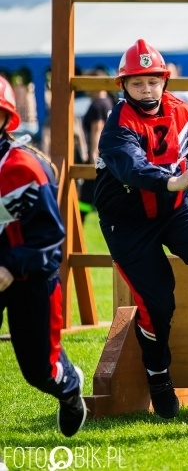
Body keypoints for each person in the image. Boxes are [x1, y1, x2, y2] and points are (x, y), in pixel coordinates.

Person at [94, 39, 188, 419]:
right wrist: (171, 180)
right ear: (123, 86)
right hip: (128, 223)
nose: (147, 90)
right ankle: (158, 374)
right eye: (138, 83)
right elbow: (132, 169)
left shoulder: (182, 112)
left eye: (153, 82)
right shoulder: (117, 126)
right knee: (157, 305)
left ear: (164, 81)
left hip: (176, 210)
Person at [0, 75, 86, 437]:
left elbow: (51, 236)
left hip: (32, 277)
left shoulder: (23, 168)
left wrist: (10, 265)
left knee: (40, 371)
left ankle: (68, 388)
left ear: (5, 119)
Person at [79, 67, 116, 220]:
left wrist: (93, 154)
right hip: (110, 156)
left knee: (85, 197)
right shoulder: (109, 101)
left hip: (98, 157)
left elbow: (97, 128)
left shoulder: (96, 105)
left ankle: (77, 223)